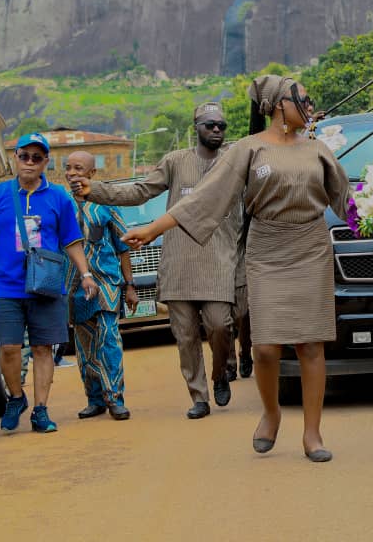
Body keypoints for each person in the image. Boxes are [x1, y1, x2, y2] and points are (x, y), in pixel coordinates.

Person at [120, 74, 349, 463]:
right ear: (280, 105)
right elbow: (206, 198)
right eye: (304, 100)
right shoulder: (247, 149)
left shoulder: (317, 149)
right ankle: (272, 414)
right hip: (267, 250)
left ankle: (312, 433)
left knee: (311, 344)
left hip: (310, 248)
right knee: (264, 348)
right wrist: (153, 228)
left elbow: (347, 200)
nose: (310, 106)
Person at [71, 104, 242, 419]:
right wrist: (95, 191)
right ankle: (199, 397)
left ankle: (220, 374)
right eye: (209, 125)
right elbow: (140, 191)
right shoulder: (176, 162)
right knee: (186, 335)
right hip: (178, 262)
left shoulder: (233, 163)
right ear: (196, 128)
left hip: (220, 261)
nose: (216, 130)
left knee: (220, 326)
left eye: (221, 125)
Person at [0, 133, 98, 434]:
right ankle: (17, 396)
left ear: (45, 163)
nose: (29, 162)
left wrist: (86, 274)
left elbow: (72, 240)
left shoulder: (58, 198)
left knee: (43, 348)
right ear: (15, 158)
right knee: (9, 349)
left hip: (47, 285)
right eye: (24, 156)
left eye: (37, 157)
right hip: (6, 287)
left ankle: (41, 410)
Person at [64, 150, 137, 420]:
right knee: (84, 345)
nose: (72, 173)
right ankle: (94, 399)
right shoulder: (62, 204)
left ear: (92, 174)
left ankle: (115, 397)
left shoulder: (105, 204)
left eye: (78, 168)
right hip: (75, 287)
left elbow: (124, 245)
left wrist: (130, 285)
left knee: (108, 339)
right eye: (68, 168)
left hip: (106, 283)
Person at [225, 229, 253, 381]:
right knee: (223, 318)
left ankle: (246, 352)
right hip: (218, 264)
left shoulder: (243, 204)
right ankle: (230, 364)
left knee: (243, 313)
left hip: (241, 259)